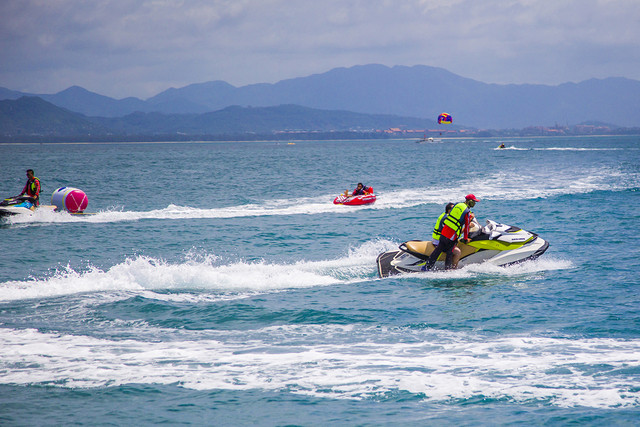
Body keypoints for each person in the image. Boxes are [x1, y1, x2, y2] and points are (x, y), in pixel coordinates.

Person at [424, 194, 480, 270]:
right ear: (470, 201)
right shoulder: (466, 212)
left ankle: (427, 267)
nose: (475, 203)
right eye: (474, 202)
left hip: (444, 231)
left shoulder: (457, 205)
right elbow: (466, 227)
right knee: (450, 252)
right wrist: (465, 238)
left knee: (438, 250)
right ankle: (448, 270)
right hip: (451, 235)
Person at [430, 202, 462, 268]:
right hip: (440, 241)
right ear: (449, 210)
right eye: (453, 209)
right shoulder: (447, 218)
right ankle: (452, 269)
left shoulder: (445, 215)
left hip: (439, 239)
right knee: (457, 252)